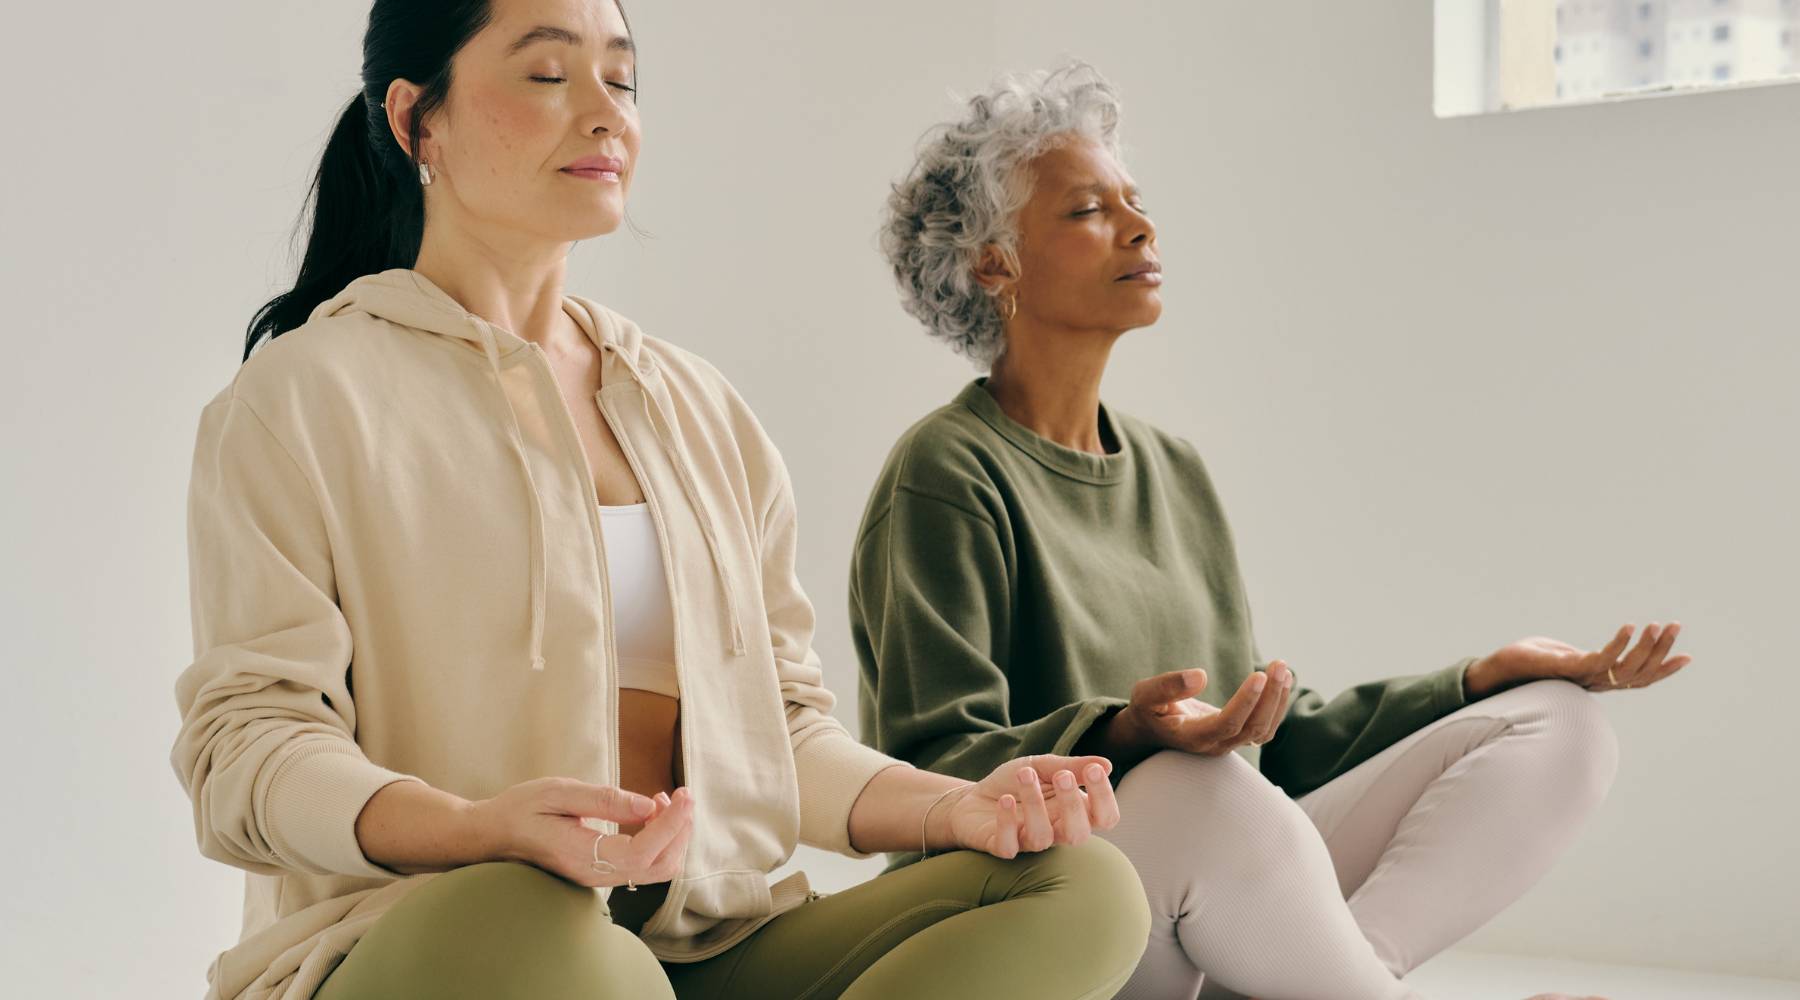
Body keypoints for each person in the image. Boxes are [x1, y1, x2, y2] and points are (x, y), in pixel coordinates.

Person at [171, 8, 1149, 999]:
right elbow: (251, 749)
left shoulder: (698, 411)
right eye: (550, 74)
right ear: (418, 120)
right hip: (440, 939)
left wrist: (958, 810)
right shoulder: (298, 400)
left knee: (1081, 884)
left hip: (696, 951)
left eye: (622, 80)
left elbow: (786, 734)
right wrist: (477, 828)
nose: (605, 115)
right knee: (529, 909)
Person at [851, 62, 1689, 1000]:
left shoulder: (1175, 471)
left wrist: (1477, 679)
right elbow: (930, 766)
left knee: (1561, 724)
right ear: (994, 262)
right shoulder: (945, 473)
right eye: (1089, 210)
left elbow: (1269, 748)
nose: (1141, 226)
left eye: (1135, 200)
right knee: (1197, 788)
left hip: (1222, 877)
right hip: (1052, 908)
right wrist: (1128, 732)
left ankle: (1347, 979)